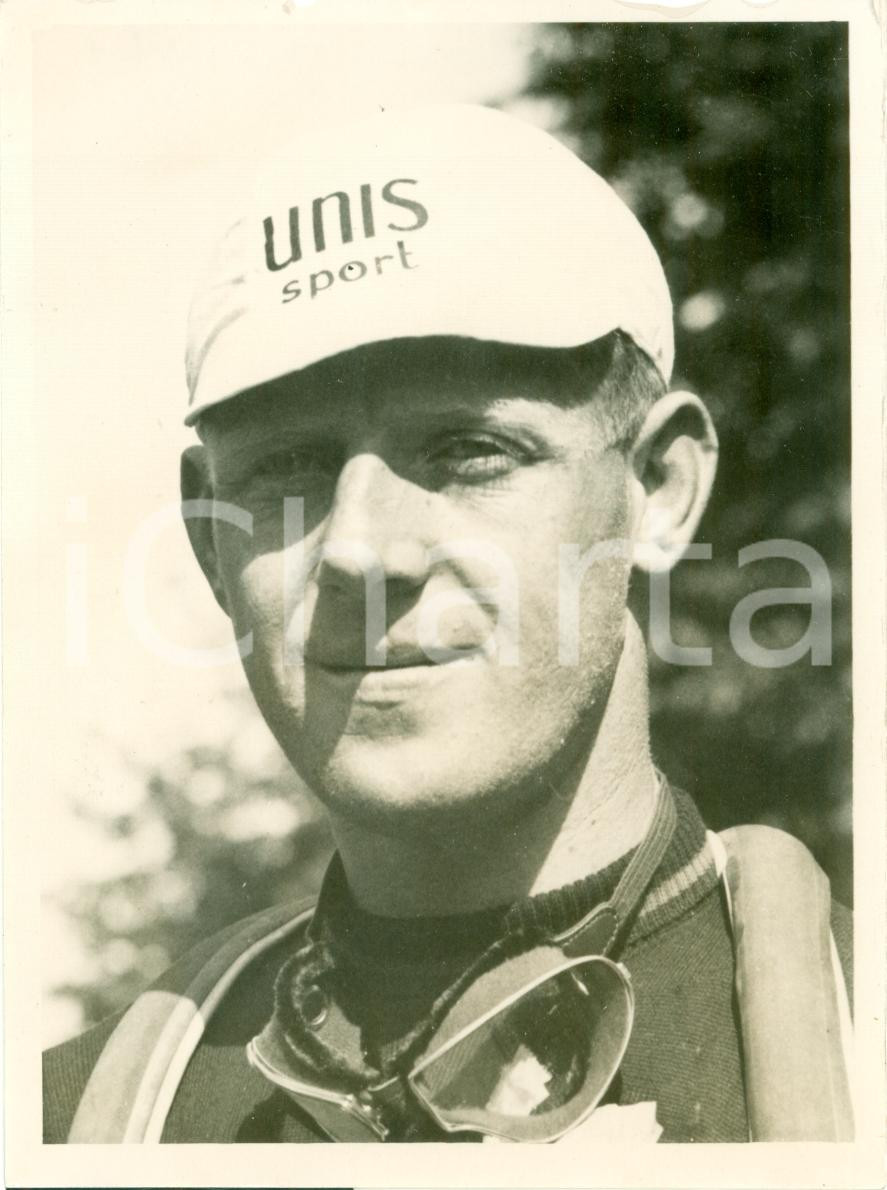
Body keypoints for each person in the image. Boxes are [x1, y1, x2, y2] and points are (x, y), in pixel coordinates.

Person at [43, 103, 853, 1145]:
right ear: (209, 545)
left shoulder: (851, 1035)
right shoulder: (83, 1121)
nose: (360, 550)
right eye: (287, 468)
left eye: (469, 451)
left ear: (656, 487)